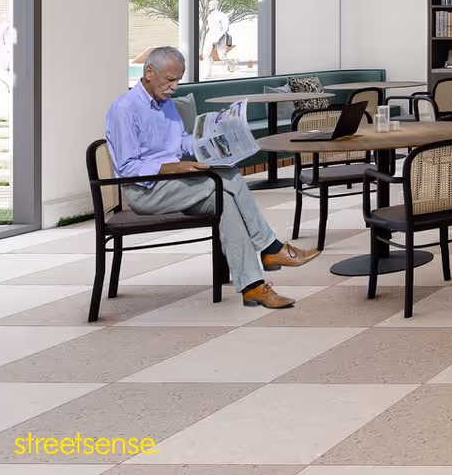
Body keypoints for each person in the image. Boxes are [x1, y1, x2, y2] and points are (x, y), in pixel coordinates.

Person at [104, 45, 317, 309]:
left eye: (178, 80)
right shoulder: (124, 109)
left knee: (225, 200)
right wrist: (177, 168)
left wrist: (210, 141)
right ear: (149, 72)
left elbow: (179, 144)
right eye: (170, 80)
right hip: (146, 192)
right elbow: (127, 167)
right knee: (225, 177)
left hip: (175, 186)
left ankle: (253, 287)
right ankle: (271, 248)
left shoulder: (167, 105)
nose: (174, 87)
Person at [201, 0, 231, 67]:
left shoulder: (223, 15)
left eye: (210, 4)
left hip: (220, 37)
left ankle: (232, 64)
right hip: (210, 36)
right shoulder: (209, 16)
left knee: (222, 57)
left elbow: (226, 28)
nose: (209, 6)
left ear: (216, 5)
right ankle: (207, 73)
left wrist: (218, 36)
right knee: (206, 54)